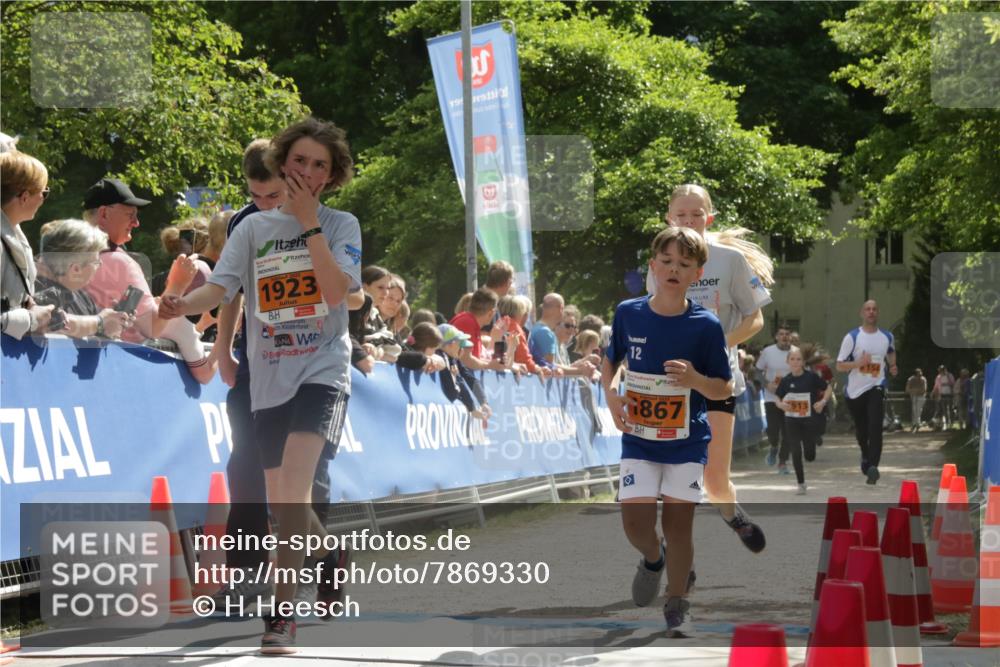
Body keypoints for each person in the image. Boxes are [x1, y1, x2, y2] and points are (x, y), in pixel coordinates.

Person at [160, 117, 360, 653]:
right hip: (267, 376)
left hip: (321, 371)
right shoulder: (250, 230)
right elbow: (222, 289)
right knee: (282, 500)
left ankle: (280, 614)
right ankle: (328, 553)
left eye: (321, 165)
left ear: (331, 174)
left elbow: (338, 292)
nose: (309, 172)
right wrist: (183, 303)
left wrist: (310, 225)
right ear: (283, 162)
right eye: (301, 161)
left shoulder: (342, 225)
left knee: (291, 492)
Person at [602, 226, 733, 636]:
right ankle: (653, 558)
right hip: (639, 438)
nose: (674, 269)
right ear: (653, 264)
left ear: (697, 273)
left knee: (680, 527)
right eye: (667, 261)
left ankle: (678, 602)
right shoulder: (629, 312)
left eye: (684, 264)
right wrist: (610, 394)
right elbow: (611, 361)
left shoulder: (706, 325)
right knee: (635, 524)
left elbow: (723, 386)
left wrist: (695, 378)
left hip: (686, 442)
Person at [649, 184, 772, 551]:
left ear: (709, 218)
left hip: (717, 384)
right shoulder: (657, 263)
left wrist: (720, 343)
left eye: (696, 215)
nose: (688, 222)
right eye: (681, 215)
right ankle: (676, 560)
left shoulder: (728, 261)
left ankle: (733, 514)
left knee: (715, 483)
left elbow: (755, 319)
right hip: (672, 385)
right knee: (675, 481)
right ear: (669, 219)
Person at [82, 178, 188, 344]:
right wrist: (178, 284)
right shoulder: (120, 263)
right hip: (117, 363)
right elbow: (153, 327)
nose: (136, 223)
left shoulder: (68, 253)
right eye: (130, 215)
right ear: (104, 213)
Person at [34, 219, 131, 339]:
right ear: (75, 269)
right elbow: (56, 323)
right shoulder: (37, 292)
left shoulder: (80, 295)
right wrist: (100, 322)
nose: (99, 266)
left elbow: (96, 325)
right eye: (96, 262)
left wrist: (113, 321)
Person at [836, 299, 898, 485]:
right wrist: (858, 364)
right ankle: (865, 453)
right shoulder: (852, 337)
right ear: (862, 313)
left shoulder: (887, 336)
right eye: (867, 309)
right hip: (855, 392)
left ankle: (873, 467)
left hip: (876, 386)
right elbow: (839, 366)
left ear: (877, 313)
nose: (871, 312)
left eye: (874, 309)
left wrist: (893, 365)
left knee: (875, 427)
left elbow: (891, 351)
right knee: (862, 431)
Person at [1, 150, 56, 339]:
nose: (44, 198)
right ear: (24, 197)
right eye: (44, 192)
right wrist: (31, 319)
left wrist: (29, 305)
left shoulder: (14, 234)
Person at [774, 348, 831, 495]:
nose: (795, 362)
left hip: (809, 421)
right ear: (787, 362)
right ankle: (801, 483)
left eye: (798, 359)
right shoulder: (786, 380)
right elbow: (777, 398)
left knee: (809, 455)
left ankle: (812, 446)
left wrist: (823, 402)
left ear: (803, 362)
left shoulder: (811, 377)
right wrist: (780, 405)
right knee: (795, 450)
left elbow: (828, 387)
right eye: (792, 359)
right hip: (791, 420)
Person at [756, 325, 794, 473]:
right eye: (781, 334)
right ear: (776, 337)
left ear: (790, 337)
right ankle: (773, 447)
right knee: (773, 430)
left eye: (787, 334)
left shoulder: (796, 352)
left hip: (790, 399)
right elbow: (757, 370)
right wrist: (766, 384)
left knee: (788, 432)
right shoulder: (768, 352)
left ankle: (782, 463)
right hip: (771, 397)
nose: (784, 337)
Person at [449, 286, 507, 371]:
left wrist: (498, 340)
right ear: (491, 313)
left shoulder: (470, 322)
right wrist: (489, 365)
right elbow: (466, 359)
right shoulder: (467, 322)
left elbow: (480, 358)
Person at [931, 364, 955, 430]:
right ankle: (947, 424)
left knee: (950, 409)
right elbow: (936, 386)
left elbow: (953, 383)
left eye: (942, 370)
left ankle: (951, 423)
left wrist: (947, 377)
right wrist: (933, 393)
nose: (941, 371)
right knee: (944, 410)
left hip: (949, 395)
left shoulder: (950, 376)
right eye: (940, 370)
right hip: (942, 395)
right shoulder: (938, 377)